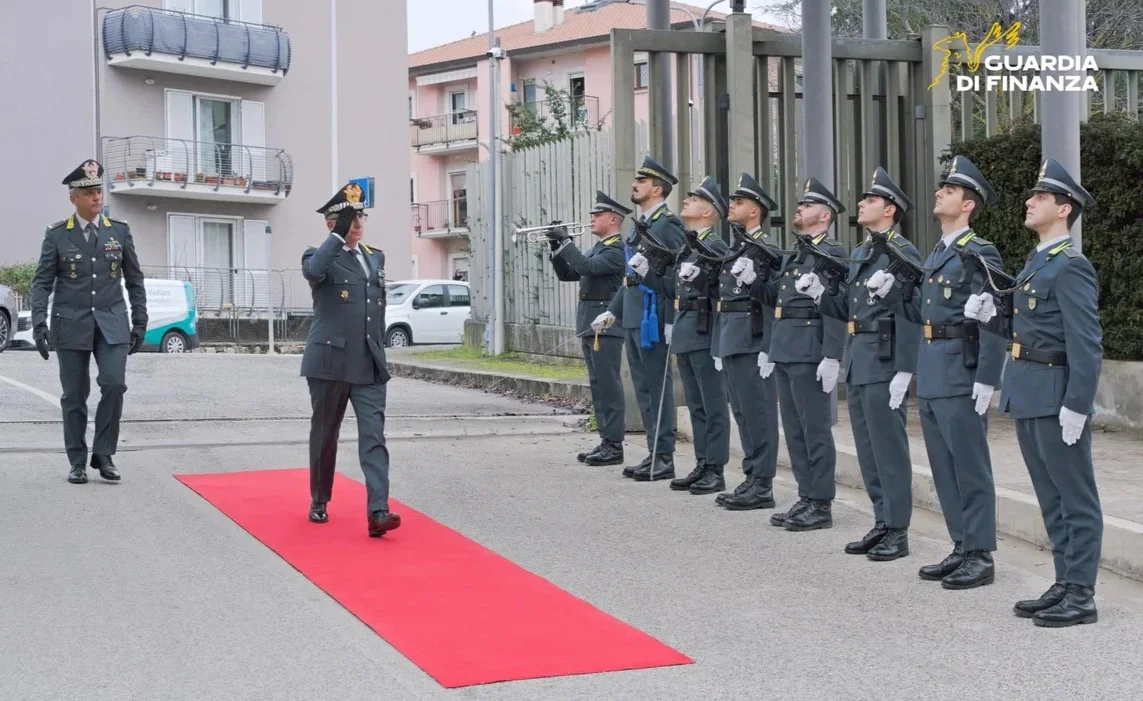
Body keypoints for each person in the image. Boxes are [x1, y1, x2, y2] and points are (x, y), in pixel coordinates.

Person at [965, 158, 1103, 627]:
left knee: (1075, 496)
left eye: (1040, 197)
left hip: (1055, 394)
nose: (1029, 201)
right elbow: (1027, 327)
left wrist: (1077, 406)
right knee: (1050, 495)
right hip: (1027, 391)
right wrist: (990, 313)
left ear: (1063, 209)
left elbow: (1086, 343)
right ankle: (1064, 581)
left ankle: (1081, 593)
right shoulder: (1036, 262)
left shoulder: (1071, 267)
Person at [867, 156, 1006, 589]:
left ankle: (980, 553)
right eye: (941, 188)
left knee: (969, 465)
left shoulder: (978, 252)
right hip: (933, 370)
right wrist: (894, 296)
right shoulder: (937, 254)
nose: (939, 193)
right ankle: (961, 545)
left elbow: (997, 312)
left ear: (968, 205)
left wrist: (987, 377)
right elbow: (921, 316)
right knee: (944, 467)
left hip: (960, 371)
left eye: (950, 190)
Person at [796, 167, 922, 561]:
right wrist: (819, 295)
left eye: (870, 200)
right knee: (868, 450)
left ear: (889, 209)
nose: (862, 204)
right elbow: (848, 309)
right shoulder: (863, 252)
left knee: (889, 450)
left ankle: (897, 530)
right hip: (861, 358)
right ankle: (881, 520)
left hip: (885, 359)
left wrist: (906, 368)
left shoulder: (902, 252)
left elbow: (912, 312)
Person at [732, 176, 847, 530]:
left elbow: (837, 308)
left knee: (815, 430)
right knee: (794, 431)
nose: (800, 208)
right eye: (801, 204)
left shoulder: (834, 253)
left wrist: (832, 354)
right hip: (785, 347)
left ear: (825, 215)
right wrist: (753, 283)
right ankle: (805, 496)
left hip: (810, 350)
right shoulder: (796, 254)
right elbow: (777, 303)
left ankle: (821, 503)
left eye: (809, 205)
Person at [30, 159, 147, 485]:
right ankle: (77, 461)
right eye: (89, 192)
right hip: (71, 324)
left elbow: (135, 279)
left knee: (113, 384)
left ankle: (104, 453)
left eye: (98, 190)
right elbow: (41, 283)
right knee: (74, 396)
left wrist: (140, 320)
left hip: (112, 323)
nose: (97, 196)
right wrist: (40, 323)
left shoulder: (119, 231)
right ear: (74, 199)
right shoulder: (56, 235)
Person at [300, 182, 399, 538]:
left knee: (374, 437)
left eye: (360, 218)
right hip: (330, 362)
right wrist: (338, 237)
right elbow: (314, 273)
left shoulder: (376, 256)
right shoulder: (318, 255)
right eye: (348, 220)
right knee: (326, 434)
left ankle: (378, 511)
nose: (357, 225)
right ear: (331, 224)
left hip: (369, 362)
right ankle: (319, 499)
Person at [592, 155, 687, 481]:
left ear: (657, 189)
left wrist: (672, 318)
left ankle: (664, 457)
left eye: (642, 181)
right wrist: (612, 311)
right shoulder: (642, 226)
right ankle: (653, 452)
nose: (634, 184)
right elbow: (631, 277)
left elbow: (676, 274)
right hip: (633, 313)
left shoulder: (668, 225)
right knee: (644, 388)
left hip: (654, 314)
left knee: (656, 387)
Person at [708, 172, 781, 511]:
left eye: (738, 202)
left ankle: (763, 484)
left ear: (755, 211)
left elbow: (773, 299)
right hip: (732, 336)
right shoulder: (738, 246)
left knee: (758, 412)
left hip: (753, 338)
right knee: (741, 411)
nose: (732, 206)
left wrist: (769, 346)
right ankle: (751, 476)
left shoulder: (764, 248)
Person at [549, 191, 629, 466]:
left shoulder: (617, 250)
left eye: (598, 214)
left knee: (609, 385)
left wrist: (567, 241)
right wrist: (556, 247)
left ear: (614, 219)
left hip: (605, 324)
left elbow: (585, 266)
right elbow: (569, 273)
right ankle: (606, 440)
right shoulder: (600, 248)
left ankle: (614, 445)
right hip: (590, 323)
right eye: (593, 214)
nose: (592, 218)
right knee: (598, 385)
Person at [665, 176, 731, 495]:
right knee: (696, 405)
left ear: (708, 212)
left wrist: (720, 341)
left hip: (706, 332)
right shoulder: (689, 248)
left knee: (712, 404)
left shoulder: (713, 247)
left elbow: (724, 295)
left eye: (695, 198)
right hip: (687, 331)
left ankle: (715, 469)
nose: (687, 200)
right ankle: (703, 462)